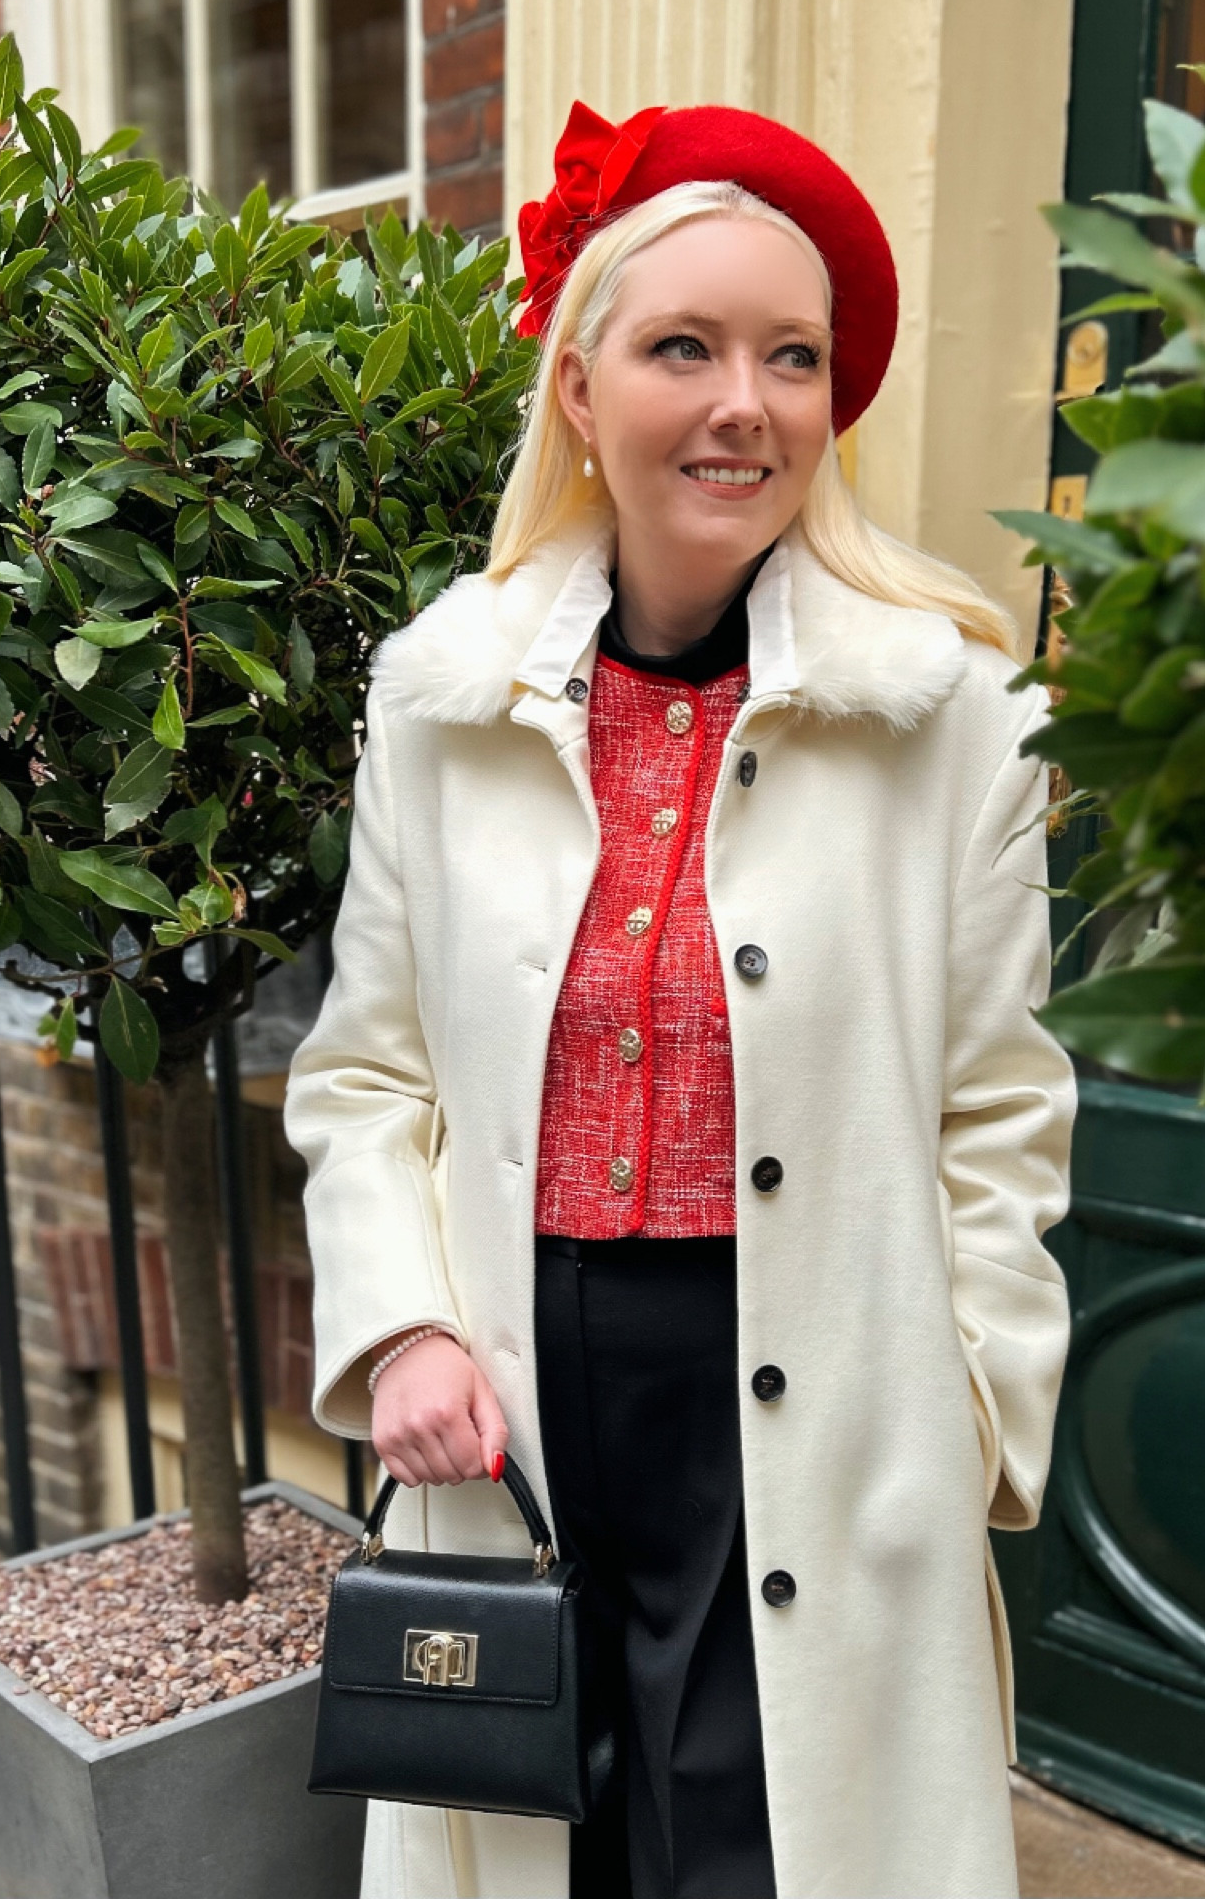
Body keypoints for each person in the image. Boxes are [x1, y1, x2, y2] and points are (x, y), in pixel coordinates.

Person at [285, 99, 1077, 1899]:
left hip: (819, 1390)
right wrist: (400, 1325)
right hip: (517, 1393)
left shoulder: (949, 716)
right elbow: (365, 1077)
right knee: (553, 1844)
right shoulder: (442, 700)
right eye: (685, 348)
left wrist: (967, 1416)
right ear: (580, 388)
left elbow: (1002, 1112)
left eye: (791, 357)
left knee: (755, 1847)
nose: (747, 404)